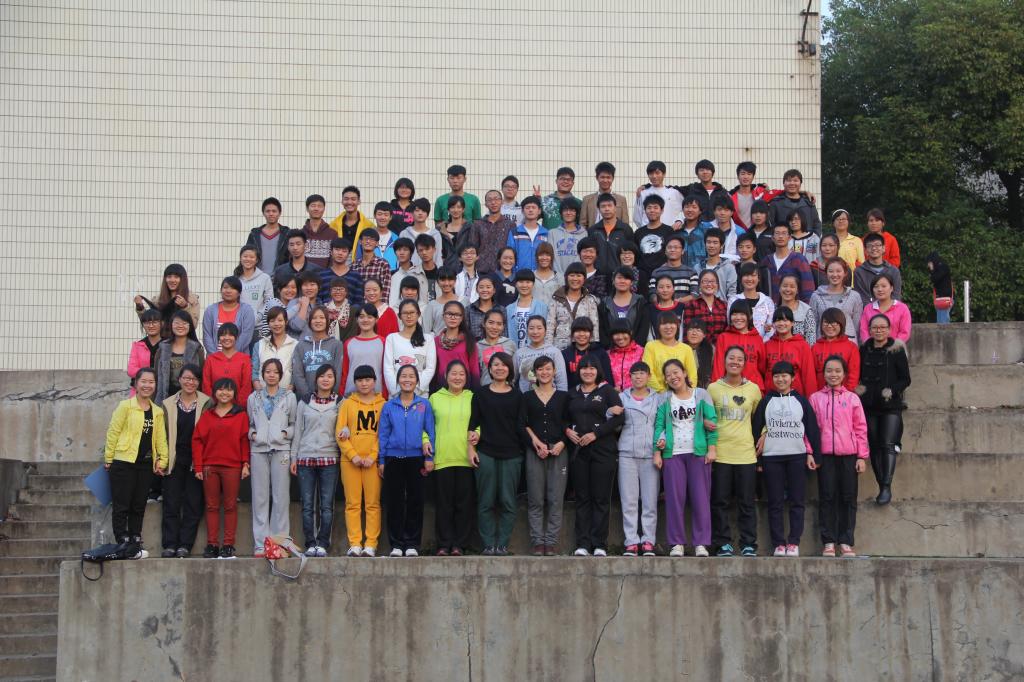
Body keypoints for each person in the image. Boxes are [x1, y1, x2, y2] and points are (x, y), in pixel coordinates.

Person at [752, 361, 822, 557]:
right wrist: (758, 461)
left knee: (797, 501)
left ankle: (793, 542)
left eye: (784, 376)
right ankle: (778, 544)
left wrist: (814, 455)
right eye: (776, 376)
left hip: (797, 457)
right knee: (774, 502)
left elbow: (811, 429)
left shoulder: (802, 401)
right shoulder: (766, 401)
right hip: (771, 457)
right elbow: (756, 429)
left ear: (792, 378)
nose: (780, 379)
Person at [653, 358, 717, 557]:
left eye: (676, 372)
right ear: (665, 379)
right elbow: (659, 426)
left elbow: (712, 423)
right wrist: (657, 452)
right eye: (668, 375)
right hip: (673, 455)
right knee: (674, 500)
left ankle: (701, 544)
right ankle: (677, 543)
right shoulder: (664, 398)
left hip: (698, 453)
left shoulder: (701, 394)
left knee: (701, 500)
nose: (673, 377)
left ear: (685, 373)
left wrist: (712, 449)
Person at [104, 367, 168, 558]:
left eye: (151, 382)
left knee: (139, 505)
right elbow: (113, 431)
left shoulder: (157, 411)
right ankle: (122, 539)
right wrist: (109, 458)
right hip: (123, 461)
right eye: (144, 381)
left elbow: (161, 439)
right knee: (122, 504)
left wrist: (162, 460)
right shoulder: (125, 406)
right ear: (136, 383)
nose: (147, 385)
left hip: (145, 465)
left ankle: (135, 538)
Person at [810, 356, 869, 557]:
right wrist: (810, 452)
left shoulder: (852, 399)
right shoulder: (815, 398)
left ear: (844, 374)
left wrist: (861, 456)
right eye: (829, 370)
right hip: (825, 456)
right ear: (824, 373)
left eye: (837, 371)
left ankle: (845, 541)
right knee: (827, 497)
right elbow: (810, 429)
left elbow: (860, 428)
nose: (833, 374)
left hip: (849, 456)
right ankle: (828, 542)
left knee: (848, 498)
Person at [566, 357, 624, 557]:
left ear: (598, 371)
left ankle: (599, 544)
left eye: (592, 368)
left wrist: (596, 434)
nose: (588, 371)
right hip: (579, 452)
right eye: (584, 368)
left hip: (603, 450)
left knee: (601, 498)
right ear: (579, 371)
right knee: (582, 498)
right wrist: (567, 430)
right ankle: (582, 543)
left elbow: (620, 417)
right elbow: (563, 418)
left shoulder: (607, 391)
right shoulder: (572, 393)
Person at [708, 347, 762, 557]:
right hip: (720, 453)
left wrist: (764, 434)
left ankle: (748, 543)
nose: (735, 362)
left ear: (744, 363)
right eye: (732, 358)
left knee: (746, 502)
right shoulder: (713, 388)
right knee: (720, 502)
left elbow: (760, 417)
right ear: (724, 361)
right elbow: (705, 417)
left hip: (746, 454)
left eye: (740, 359)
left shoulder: (753, 389)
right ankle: (722, 543)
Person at [379, 364, 436, 557]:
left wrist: (429, 456)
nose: (407, 379)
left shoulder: (424, 405)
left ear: (417, 381)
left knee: (415, 501)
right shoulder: (389, 406)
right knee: (394, 502)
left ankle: (412, 543)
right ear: (398, 380)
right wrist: (381, 460)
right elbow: (383, 435)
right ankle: (396, 544)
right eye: (403, 376)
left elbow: (430, 431)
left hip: (416, 458)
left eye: (411, 376)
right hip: (393, 458)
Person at [192, 377, 250, 559]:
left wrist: (245, 463)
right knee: (211, 506)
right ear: (214, 392)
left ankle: (228, 545)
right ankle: (212, 545)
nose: (224, 393)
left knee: (231, 506)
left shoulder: (241, 415)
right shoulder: (207, 415)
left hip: (232, 466)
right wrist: (198, 466)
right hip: (209, 467)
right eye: (221, 389)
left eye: (229, 389)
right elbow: (197, 441)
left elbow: (244, 440)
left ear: (234, 393)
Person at [519, 356, 571, 556]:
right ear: (535, 373)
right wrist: (535, 442)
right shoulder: (527, 397)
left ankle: (551, 542)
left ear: (554, 371)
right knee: (535, 499)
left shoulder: (564, 397)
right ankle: (537, 542)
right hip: (535, 451)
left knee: (556, 499)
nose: (544, 372)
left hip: (559, 451)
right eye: (540, 369)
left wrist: (562, 443)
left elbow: (569, 423)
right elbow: (522, 424)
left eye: (548, 369)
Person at [858, 314, 911, 505]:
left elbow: (905, 379)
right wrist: (860, 390)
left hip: (890, 405)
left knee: (887, 444)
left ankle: (886, 487)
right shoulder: (863, 349)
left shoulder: (896, 349)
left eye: (882, 327)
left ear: (889, 329)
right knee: (873, 446)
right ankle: (882, 485)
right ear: (870, 330)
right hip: (869, 405)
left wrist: (891, 390)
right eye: (875, 327)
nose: (878, 330)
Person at [246, 358, 296, 556]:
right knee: (259, 498)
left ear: (281, 375)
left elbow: (293, 424)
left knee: (281, 498)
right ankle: (261, 543)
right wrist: (254, 435)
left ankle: (279, 542)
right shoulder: (253, 397)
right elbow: (250, 424)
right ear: (263, 374)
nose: (272, 375)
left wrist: (284, 434)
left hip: (281, 450)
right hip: (258, 451)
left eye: (275, 372)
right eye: (268, 371)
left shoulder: (289, 397)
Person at [290, 365, 341, 557]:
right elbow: (298, 431)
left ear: (334, 380)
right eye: (322, 376)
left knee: (326, 505)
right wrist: (294, 457)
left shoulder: (340, 402)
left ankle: (323, 543)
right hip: (306, 458)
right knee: (307, 505)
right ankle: (310, 543)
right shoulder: (304, 401)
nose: (326, 379)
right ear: (316, 379)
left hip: (330, 458)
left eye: (330, 376)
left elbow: (344, 426)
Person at [612, 361, 660, 557]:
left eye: (642, 373)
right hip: (626, 453)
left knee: (650, 501)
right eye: (634, 373)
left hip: (650, 454)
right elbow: (614, 424)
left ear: (649, 376)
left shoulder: (658, 399)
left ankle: (648, 541)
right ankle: (631, 541)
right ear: (629, 377)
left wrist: (660, 445)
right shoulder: (621, 397)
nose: (638, 377)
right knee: (629, 501)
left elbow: (662, 424)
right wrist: (610, 412)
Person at [335, 365, 385, 557]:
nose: (364, 384)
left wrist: (373, 456)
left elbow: (384, 433)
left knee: (372, 504)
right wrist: (353, 455)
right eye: (360, 380)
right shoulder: (347, 404)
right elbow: (340, 433)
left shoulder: (383, 404)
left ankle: (371, 544)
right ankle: (355, 543)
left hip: (373, 462)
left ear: (374, 381)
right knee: (352, 504)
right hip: (350, 462)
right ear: (355, 383)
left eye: (368, 380)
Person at [160, 364, 207, 558]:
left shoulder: (207, 403)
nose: (190, 382)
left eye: (194, 379)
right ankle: (170, 544)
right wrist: (161, 459)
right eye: (186, 378)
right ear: (179, 379)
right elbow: (161, 434)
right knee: (171, 503)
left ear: (199, 382)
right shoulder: (167, 404)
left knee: (193, 504)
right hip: (174, 458)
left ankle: (185, 545)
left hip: (197, 460)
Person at [428, 361, 476, 556]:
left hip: (466, 458)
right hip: (442, 458)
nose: (457, 377)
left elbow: (479, 423)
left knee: (464, 504)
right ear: (446, 376)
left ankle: (460, 544)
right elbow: (426, 426)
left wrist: (477, 434)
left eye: (461, 374)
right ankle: (443, 544)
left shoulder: (472, 397)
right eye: (453, 373)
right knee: (443, 505)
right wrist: (425, 442)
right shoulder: (435, 398)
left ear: (466, 377)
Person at [383, 300, 436, 396]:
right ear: (399, 316)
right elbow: (388, 368)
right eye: (405, 313)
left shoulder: (428, 339)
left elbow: (430, 368)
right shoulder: (392, 338)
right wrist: (395, 390)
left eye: (412, 312)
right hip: (397, 394)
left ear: (418, 314)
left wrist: (418, 388)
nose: (409, 316)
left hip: (420, 394)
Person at [711, 302, 767, 391]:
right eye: (734, 314)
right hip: (729, 388)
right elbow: (719, 366)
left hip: (753, 389)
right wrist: (717, 388)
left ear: (750, 316)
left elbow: (762, 367)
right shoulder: (724, 337)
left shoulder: (757, 339)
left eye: (742, 314)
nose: (738, 318)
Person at [292, 307, 344, 401]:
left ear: (327, 321)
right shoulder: (301, 346)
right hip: (306, 400)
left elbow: (338, 373)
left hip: (330, 399)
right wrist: (308, 397)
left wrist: (330, 395)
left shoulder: (336, 345)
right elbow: (297, 374)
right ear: (309, 321)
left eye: (322, 317)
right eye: (314, 318)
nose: (318, 321)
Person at [134, 263, 200, 336]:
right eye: (169, 277)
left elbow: (193, 325)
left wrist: (185, 307)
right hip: (161, 341)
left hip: (182, 341)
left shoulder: (192, 299)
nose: (172, 280)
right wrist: (140, 307)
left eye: (176, 277)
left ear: (183, 279)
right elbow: (150, 324)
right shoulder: (157, 300)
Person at [763, 308, 817, 397]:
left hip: (795, 395)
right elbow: (762, 372)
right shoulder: (767, 345)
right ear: (773, 324)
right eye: (778, 320)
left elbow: (808, 375)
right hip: (771, 395)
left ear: (792, 323)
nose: (781, 323)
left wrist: (810, 399)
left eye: (785, 320)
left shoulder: (802, 345)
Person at [460, 190, 516, 275]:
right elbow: (472, 247)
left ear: (502, 202)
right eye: (489, 200)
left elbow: (513, 249)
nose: (493, 202)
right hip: (481, 270)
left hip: (502, 270)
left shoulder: (510, 224)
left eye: (496, 199)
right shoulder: (478, 224)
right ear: (486, 204)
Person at [547, 263, 602, 350]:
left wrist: (593, 348)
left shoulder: (590, 300)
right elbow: (550, 326)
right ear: (566, 277)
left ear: (584, 279)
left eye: (579, 276)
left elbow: (594, 326)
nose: (575, 279)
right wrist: (548, 348)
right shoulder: (556, 299)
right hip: (559, 348)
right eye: (572, 275)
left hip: (583, 349)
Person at [154, 310, 206, 402]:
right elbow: (156, 376)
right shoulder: (162, 349)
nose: (180, 326)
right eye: (177, 323)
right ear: (171, 325)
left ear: (190, 326)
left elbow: (201, 375)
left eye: (184, 323)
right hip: (166, 398)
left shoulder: (197, 350)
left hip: (190, 398)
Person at [641, 312, 698, 393]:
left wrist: (687, 392)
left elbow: (692, 376)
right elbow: (648, 372)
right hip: (657, 395)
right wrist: (662, 392)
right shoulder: (651, 346)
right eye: (664, 324)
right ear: (658, 327)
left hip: (683, 394)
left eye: (671, 323)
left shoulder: (686, 349)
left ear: (677, 326)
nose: (668, 327)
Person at [759, 222, 815, 304]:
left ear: (789, 238)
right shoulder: (766, 261)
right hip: (769, 308)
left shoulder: (799, 260)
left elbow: (808, 288)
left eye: (784, 233)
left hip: (793, 308)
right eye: (777, 233)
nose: (780, 236)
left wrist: (805, 308)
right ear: (772, 238)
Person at [809, 257, 863, 340]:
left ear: (845, 273)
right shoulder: (816, 296)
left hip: (848, 342)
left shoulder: (854, 296)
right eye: (831, 271)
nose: (834, 275)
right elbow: (812, 324)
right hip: (823, 343)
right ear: (826, 273)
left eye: (838, 271)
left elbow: (857, 325)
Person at [432, 301, 481, 391]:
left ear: (462, 318)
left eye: (457, 315)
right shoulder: (436, 341)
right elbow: (433, 369)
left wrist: (476, 393)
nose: (453, 317)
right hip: (441, 389)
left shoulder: (469, 341)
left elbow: (474, 369)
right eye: (449, 314)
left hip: (463, 389)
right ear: (443, 316)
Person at [201, 323, 253, 406]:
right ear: (218, 338)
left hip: (238, 408)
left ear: (236, 337)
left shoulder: (245, 359)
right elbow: (206, 385)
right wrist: (212, 404)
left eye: (230, 335)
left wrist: (238, 406)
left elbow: (246, 386)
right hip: (215, 408)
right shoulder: (211, 359)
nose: (226, 338)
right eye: (223, 335)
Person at [201, 277, 256, 354]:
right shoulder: (210, 310)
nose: (228, 291)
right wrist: (217, 357)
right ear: (221, 290)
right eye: (225, 287)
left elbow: (246, 336)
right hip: (215, 358)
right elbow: (207, 336)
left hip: (238, 358)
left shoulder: (247, 310)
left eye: (233, 288)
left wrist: (231, 355)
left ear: (239, 293)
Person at [341, 304, 386, 397]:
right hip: (352, 395)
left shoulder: (383, 342)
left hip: (377, 395)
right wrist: (341, 393)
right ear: (357, 319)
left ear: (376, 319)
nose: (365, 320)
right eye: (361, 317)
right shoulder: (349, 343)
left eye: (369, 317)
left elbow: (385, 371)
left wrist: (385, 394)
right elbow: (344, 372)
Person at [514, 316, 568, 392]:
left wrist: (562, 397)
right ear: (527, 331)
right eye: (531, 328)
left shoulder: (555, 352)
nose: (535, 332)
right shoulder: (519, 353)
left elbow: (561, 381)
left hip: (550, 397)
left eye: (539, 328)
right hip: (524, 397)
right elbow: (512, 379)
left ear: (545, 331)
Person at [811, 308, 861, 391]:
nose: (829, 326)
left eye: (833, 322)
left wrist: (847, 394)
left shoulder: (851, 347)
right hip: (820, 395)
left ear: (841, 324)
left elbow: (853, 374)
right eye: (826, 322)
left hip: (843, 395)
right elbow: (811, 375)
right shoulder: (815, 347)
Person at [251, 307, 298, 392]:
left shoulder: (295, 344)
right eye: (272, 321)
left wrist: (288, 394)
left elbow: (296, 373)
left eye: (280, 320)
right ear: (268, 323)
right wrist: (260, 393)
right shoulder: (259, 345)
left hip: (287, 394)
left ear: (286, 321)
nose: (276, 324)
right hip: (262, 394)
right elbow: (255, 372)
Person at [633, 194, 673, 296]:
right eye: (649, 208)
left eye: (655, 207)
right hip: (642, 276)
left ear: (662, 210)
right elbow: (635, 255)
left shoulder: (669, 231)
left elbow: (672, 252)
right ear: (645, 210)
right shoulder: (639, 232)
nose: (652, 210)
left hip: (662, 274)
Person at [562, 317, 613, 391]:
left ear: (591, 334)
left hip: (596, 394)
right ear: (572, 334)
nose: (581, 334)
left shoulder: (600, 353)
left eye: (585, 331)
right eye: (578, 331)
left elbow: (607, 378)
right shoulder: (565, 354)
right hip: (571, 395)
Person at [858, 274, 912, 343]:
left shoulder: (902, 308)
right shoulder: (868, 308)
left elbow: (905, 332)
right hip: (873, 348)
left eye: (884, 286)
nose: (880, 289)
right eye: (876, 287)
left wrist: (893, 346)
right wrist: (870, 345)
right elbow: (864, 330)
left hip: (895, 347)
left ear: (891, 288)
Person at [589, 193, 633, 274]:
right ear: (598, 209)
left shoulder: (625, 229)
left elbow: (631, 253)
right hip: (597, 275)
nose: (607, 209)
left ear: (615, 208)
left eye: (610, 205)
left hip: (619, 275)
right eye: (603, 206)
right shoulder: (593, 230)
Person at [648, 235, 699, 306]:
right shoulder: (657, 272)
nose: (672, 250)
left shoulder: (691, 272)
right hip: (662, 310)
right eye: (669, 247)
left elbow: (695, 294)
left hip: (685, 310)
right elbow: (652, 295)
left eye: (676, 247)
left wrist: (675, 303)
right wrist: (666, 305)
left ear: (682, 251)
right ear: (665, 251)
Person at [855, 232, 903, 306]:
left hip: (891, 311)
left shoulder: (893, 271)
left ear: (883, 248)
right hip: (868, 311)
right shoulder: (859, 272)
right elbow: (861, 297)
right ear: (865, 251)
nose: (874, 248)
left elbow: (896, 296)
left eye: (877, 245)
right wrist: (874, 310)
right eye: (870, 246)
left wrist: (886, 309)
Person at [767, 169, 821, 235]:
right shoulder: (776, 203)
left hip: (808, 240)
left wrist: (815, 237)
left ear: (800, 183)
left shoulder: (808, 202)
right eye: (789, 180)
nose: (792, 183)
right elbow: (771, 224)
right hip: (784, 240)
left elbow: (816, 223)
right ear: (783, 183)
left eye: (795, 180)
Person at [245, 197, 291, 276]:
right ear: (263, 213)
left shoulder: (287, 234)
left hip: (280, 277)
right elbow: (247, 255)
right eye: (268, 211)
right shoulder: (254, 235)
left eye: (274, 211)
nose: (271, 214)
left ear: (279, 213)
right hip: (258, 277)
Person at [505, 269, 549, 348]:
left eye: (528, 282)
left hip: (536, 350)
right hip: (514, 351)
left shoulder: (542, 307)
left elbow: (547, 331)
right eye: (521, 282)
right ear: (516, 284)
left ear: (533, 284)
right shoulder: (509, 309)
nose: (524, 285)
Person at [683, 270, 728, 345]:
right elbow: (687, 332)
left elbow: (727, 331)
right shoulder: (691, 305)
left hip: (720, 348)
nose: (709, 284)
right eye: (705, 281)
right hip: (698, 348)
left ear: (717, 285)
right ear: (699, 285)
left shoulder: (723, 305)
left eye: (712, 281)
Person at [633, 160, 683, 227]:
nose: (654, 176)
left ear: (664, 174)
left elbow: (685, 209)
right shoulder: (642, 193)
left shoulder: (674, 192)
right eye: (651, 173)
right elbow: (637, 216)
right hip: (648, 231)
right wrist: (645, 228)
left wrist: (680, 220)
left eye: (657, 173)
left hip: (669, 231)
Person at [729, 161, 778, 228]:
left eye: (749, 174)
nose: (746, 177)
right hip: (738, 232)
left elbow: (777, 194)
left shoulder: (760, 194)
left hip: (757, 231)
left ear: (753, 177)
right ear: (738, 176)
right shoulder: (730, 197)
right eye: (743, 174)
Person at [506, 195, 549, 272]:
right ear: (522, 211)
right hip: (520, 275)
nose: (530, 210)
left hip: (540, 275)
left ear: (539, 211)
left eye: (533, 207)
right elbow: (509, 255)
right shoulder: (515, 233)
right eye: (527, 208)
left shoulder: (546, 233)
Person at [235, 245, 274, 329]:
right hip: (239, 326)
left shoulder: (265, 278)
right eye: (245, 256)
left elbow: (269, 301)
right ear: (240, 258)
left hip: (259, 327)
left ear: (256, 260)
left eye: (252, 257)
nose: (248, 259)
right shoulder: (236, 279)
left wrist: (259, 316)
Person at [580, 162, 630, 227]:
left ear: (613, 178)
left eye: (608, 177)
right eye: (602, 177)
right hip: (593, 233)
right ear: (597, 178)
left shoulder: (621, 200)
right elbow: (583, 224)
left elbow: (625, 223)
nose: (605, 180)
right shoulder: (587, 200)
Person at [548, 197, 588, 274]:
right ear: (561, 213)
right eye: (565, 210)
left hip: (576, 275)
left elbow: (582, 257)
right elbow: (552, 257)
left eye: (572, 210)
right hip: (557, 276)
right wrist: (559, 275)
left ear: (577, 213)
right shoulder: (552, 233)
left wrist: (574, 273)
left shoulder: (584, 233)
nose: (568, 213)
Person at [319, 238, 364, 307]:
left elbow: (359, 301)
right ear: (331, 252)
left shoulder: (356, 276)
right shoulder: (322, 275)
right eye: (337, 249)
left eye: (344, 251)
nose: (340, 253)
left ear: (348, 254)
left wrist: (348, 311)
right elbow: (317, 298)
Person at [477, 309, 517, 386]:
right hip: (485, 389)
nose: (494, 327)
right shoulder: (477, 347)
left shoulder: (510, 344)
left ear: (503, 326)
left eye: (499, 324)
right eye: (491, 323)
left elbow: (515, 370)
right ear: (484, 323)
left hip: (507, 389)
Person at [351, 229, 393, 303]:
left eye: (372, 240)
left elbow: (385, 291)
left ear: (377, 243)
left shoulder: (383, 264)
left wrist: (382, 308)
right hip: (357, 307)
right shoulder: (354, 265)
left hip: (376, 307)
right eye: (366, 239)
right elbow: (352, 290)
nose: (368, 241)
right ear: (360, 241)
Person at [400, 198, 443, 268]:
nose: (420, 213)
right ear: (412, 213)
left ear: (427, 214)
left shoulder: (435, 234)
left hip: (430, 272)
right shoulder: (404, 234)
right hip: (409, 272)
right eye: (417, 210)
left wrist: (439, 272)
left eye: (423, 211)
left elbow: (438, 257)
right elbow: (400, 256)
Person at [775, 273, 818, 344]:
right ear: (779, 288)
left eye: (792, 287)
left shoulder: (806, 311)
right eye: (785, 286)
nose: (788, 289)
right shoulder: (772, 309)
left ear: (797, 290)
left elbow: (811, 341)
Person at [127, 310, 164, 391]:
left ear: (161, 323)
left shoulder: (168, 345)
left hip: (163, 390)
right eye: (147, 323)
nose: (151, 326)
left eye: (155, 322)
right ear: (143, 325)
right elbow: (131, 370)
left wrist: (144, 374)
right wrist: (153, 375)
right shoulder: (138, 345)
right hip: (141, 390)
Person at [299, 194, 339, 268]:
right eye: (313, 206)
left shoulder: (332, 234)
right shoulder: (300, 234)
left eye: (319, 206)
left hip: (326, 274)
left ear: (324, 209)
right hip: (303, 274)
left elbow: (335, 259)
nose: (316, 209)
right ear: (307, 209)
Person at [700, 228, 738, 300]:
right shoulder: (698, 267)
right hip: (701, 306)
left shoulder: (729, 268)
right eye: (708, 242)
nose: (711, 245)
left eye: (715, 243)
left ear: (722, 245)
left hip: (722, 306)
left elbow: (732, 293)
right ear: (705, 244)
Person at [606, 321, 645, 392]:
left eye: (624, 333)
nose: (620, 337)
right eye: (616, 334)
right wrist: (611, 389)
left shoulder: (641, 352)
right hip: (613, 395)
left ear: (631, 333)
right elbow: (602, 377)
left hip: (636, 395)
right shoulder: (608, 354)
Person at [647, 274, 686, 342]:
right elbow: (650, 333)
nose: (665, 290)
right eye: (661, 287)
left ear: (673, 289)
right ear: (656, 290)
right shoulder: (650, 309)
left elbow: (683, 330)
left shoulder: (682, 307)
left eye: (668, 287)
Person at [363, 201, 400, 270]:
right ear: (374, 215)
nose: (382, 217)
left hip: (392, 273)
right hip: (370, 273)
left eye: (386, 215)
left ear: (390, 217)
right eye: (379, 214)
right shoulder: (366, 236)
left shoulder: (396, 238)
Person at [676, 195, 709, 269]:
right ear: (682, 210)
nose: (690, 210)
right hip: (680, 272)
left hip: (700, 272)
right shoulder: (677, 231)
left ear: (700, 211)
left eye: (694, 207)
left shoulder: (706, 231)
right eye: (687, 207)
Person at [787, 210, 821, 281]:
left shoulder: (813, 238)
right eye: (791, 220)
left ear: (803, 220)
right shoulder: (786, 239)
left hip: (812, 275)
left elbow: (819, 256)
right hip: (790, 276)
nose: (793, 222)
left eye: (796, 219)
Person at [830, 209, 865, 274]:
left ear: (848, 222)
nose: (841, 221)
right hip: (833, 276)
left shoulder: (856, 240)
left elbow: (861, 263)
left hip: (852, 278)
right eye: (838, 219)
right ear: (833, 223)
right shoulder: (829, 240)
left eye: (843, 219)